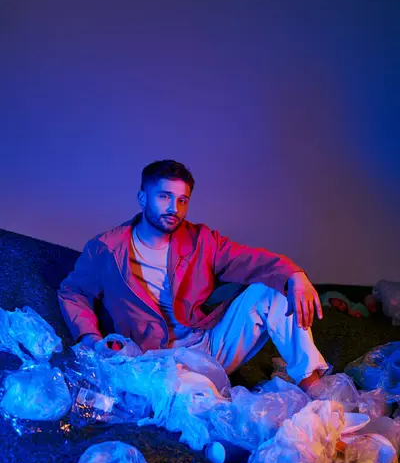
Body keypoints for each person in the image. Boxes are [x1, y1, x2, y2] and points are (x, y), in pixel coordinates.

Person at [58, 160, 328, 390]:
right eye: (164, 196)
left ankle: (312, 386)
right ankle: (218, 420)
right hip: (154, 362)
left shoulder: (203, 240)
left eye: (182, 200)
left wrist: (295, 275)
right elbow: (73, 292)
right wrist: (90, 339)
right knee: (191, 399)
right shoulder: (106, 248)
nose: (174, 207)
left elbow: (251, 261)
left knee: (271, 289)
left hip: (208, 348)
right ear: (143, 198)